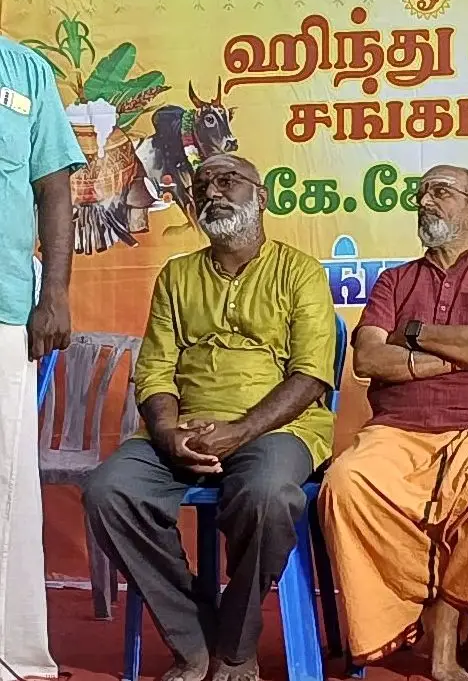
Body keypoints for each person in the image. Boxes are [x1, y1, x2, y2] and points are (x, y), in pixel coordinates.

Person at [82, 154, 338, 681]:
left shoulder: (299, 272)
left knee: (268, 495)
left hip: (276, 429)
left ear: (261, 196)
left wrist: (240, 431)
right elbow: (154, 371)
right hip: (184, 427)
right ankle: (195, 637)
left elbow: (311, 375)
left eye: (228, 182)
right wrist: (169, 432)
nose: (214, 193)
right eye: (203, 186)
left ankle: (237, 647)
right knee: (109, 492)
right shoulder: (177, 275)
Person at [319, 164, 468, 681]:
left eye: (440, 192)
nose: (425, 202)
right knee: (346, 484)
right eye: (421, 194)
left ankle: (446, 630)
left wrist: (416, 332)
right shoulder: (394, 281)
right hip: (398, 432)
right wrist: (467, 352)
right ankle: (450, 612)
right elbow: (369, 361)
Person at [0, 35, 85, 681]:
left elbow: (53, 188)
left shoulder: (25, 69)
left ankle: (15, 656)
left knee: (5, 488)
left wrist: (53, 291)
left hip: (4, 307)